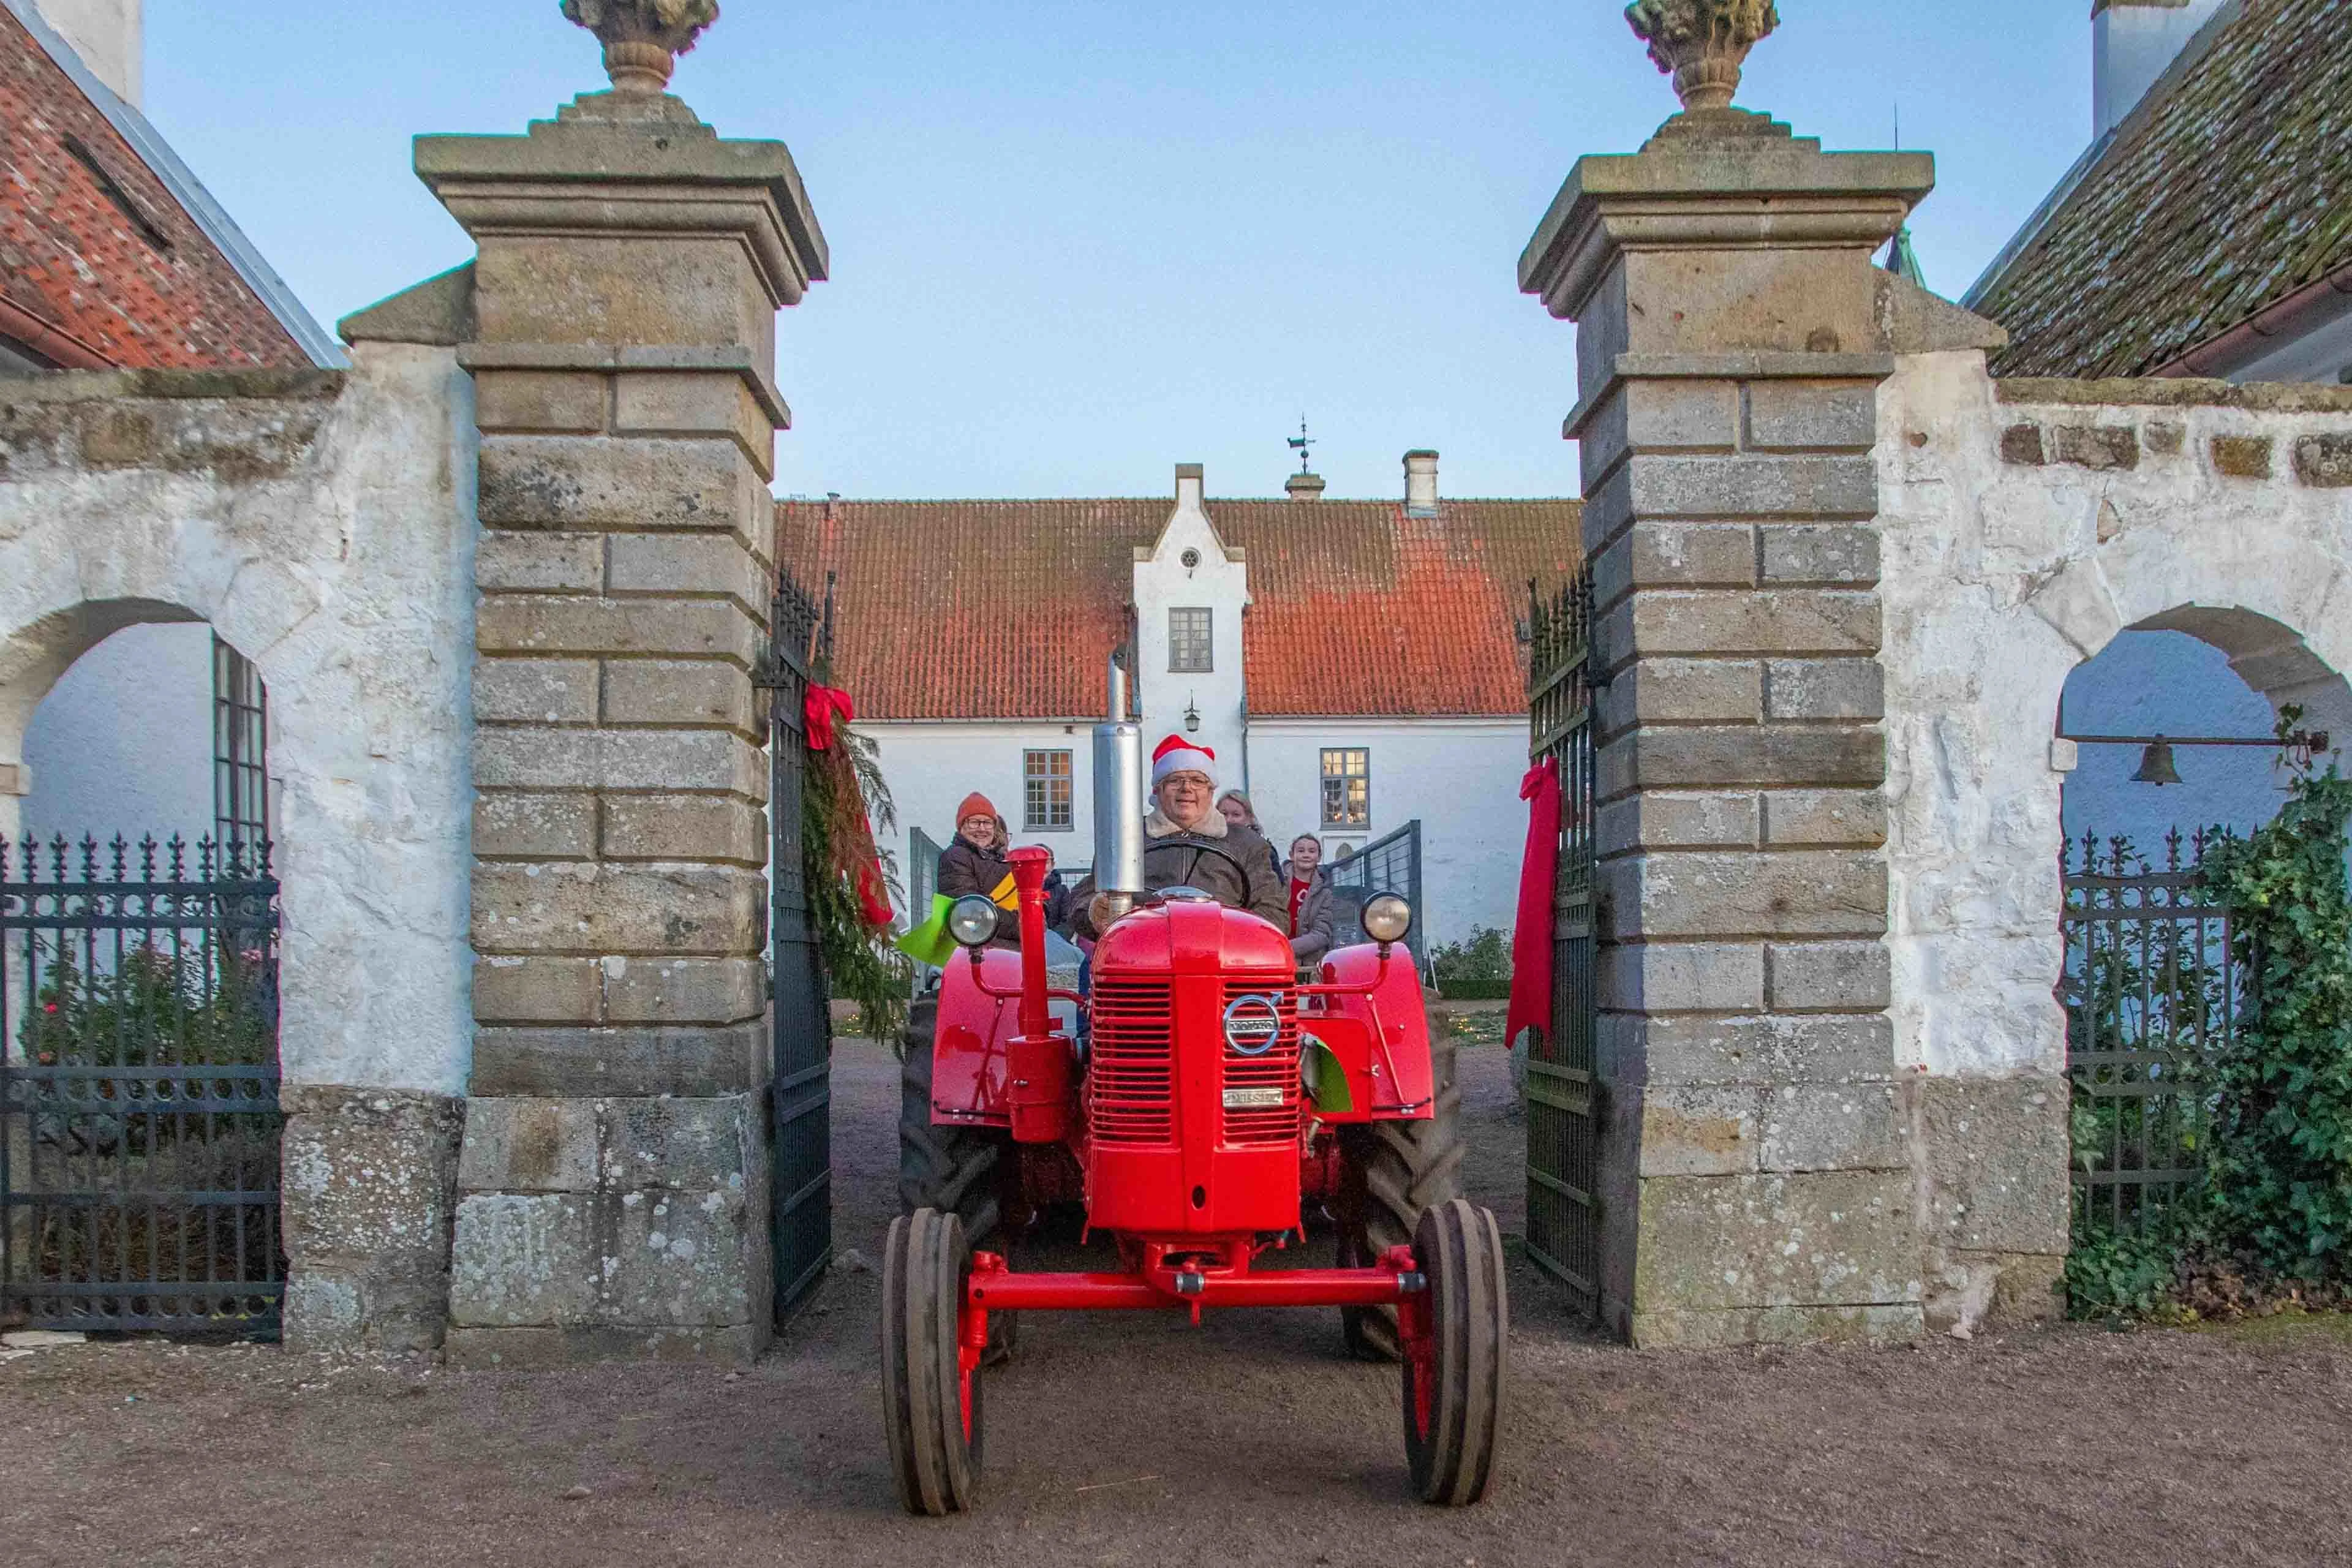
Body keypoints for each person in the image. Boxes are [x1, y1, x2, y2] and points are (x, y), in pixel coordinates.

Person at [1065, 737, 1288, 938]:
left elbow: (1272, 910)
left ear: (1211, 791)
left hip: (1225, 954)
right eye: (1175, 781)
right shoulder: (1126, 838)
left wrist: (1231, 932)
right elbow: (1085, 897)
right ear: (1158, 790)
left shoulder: (1247, 843)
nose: (1186, 789)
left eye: (1197, 781)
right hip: (1142, 949)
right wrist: (1097, 911)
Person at [937, 791, 1020, 948]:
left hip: (1012, 947)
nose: (982, 829)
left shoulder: (1000, 859)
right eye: (974, 822)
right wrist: (1022, 924)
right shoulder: (955, 856)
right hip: (979, 950)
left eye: (987, 823)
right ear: (961, 827)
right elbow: (972, 911)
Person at [1283, 832, 1343, 967]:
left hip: (1309, 963)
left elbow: (1322, 933)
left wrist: (1285, 948)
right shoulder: (1278, 882)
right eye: (1301, 851)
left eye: (1312, 851)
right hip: (1276, 958)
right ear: (1292, 855)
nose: (1306, 855)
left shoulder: (1325, 893)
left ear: (1319, 857)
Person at [1216, 789, 1286, 880]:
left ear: (1249, 818)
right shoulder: (1207, 845)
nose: (1229, 820)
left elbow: (1278, 886)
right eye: (1224, 814)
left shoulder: (1264, 851)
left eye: (1236, 815)